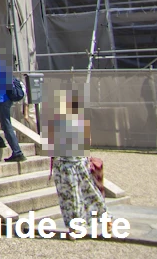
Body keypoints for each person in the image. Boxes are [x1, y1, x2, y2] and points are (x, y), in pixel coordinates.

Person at [48, 89, 108, 229]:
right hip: (73, 163)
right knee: (86, 193)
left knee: (71, 197)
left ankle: (76, 226)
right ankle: (102, 219)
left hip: (67, 164)